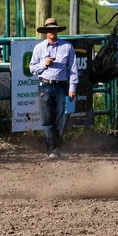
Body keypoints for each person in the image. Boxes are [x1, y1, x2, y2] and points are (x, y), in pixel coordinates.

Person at [29, 18, 78, 159]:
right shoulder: (39, 48)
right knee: (47, 119)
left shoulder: (67, 47)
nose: (52, 32)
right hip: (45, 86)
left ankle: (56, 149)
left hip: (62, 85)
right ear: (46, 32)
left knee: (62, 118)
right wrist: (44, 64)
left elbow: (73, 69)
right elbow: (32, 68)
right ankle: (52, 149)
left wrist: (72, 87)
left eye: (54, 29)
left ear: (57, 30)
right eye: (50, 30)